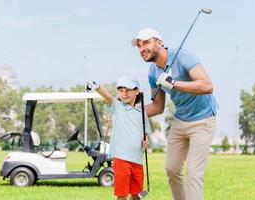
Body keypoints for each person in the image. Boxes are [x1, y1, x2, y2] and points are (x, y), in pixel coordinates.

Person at [131, 28, 218, 200]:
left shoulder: (182, 56)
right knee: (172, 169)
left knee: (194, 173)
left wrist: (173, 83)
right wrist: (132, 112)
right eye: (139, 46)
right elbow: (157, 107)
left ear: (160, 43)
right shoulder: (153, 73)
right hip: (179, 121)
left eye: (146, 43)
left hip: (203, 120)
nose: (142, 49)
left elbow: (207, 86)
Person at [86, 76, 151, 200]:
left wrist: (146, 141)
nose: (124, 93)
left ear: (136, 91)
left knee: (136, 194)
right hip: (121, 159)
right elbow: (108, 97)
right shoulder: (117, 107)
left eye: (127, 90)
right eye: (121, 90)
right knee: (122, 194)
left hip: (137, 159)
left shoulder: (142, 112)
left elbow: (145, 133)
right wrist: (97, 86)